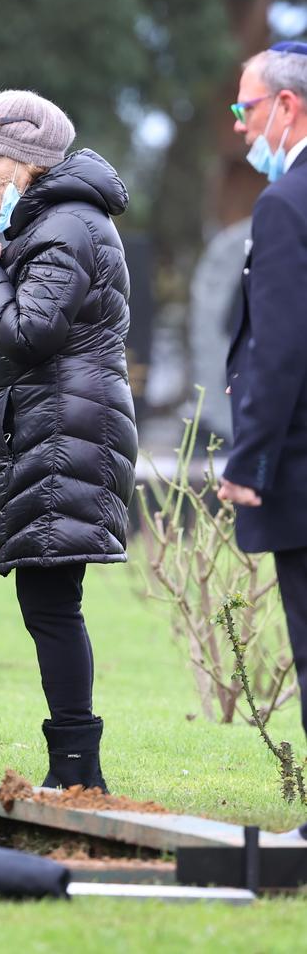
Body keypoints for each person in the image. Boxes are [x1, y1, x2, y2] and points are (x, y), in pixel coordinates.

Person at [0, 91, 137, 790]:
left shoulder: (68, 226)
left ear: (25, 163)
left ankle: (78, 773)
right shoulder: (50, 220)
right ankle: (75, 770)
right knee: (48, 601)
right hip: (56, 424)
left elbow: (27, 331)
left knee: (53, 603)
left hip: (65, 429)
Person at [219, 41, 307, 751]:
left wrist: (247, 462)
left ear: (286, 105)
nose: (240, 127)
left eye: (245, 107)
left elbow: (280, 348)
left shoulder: (285, 204)